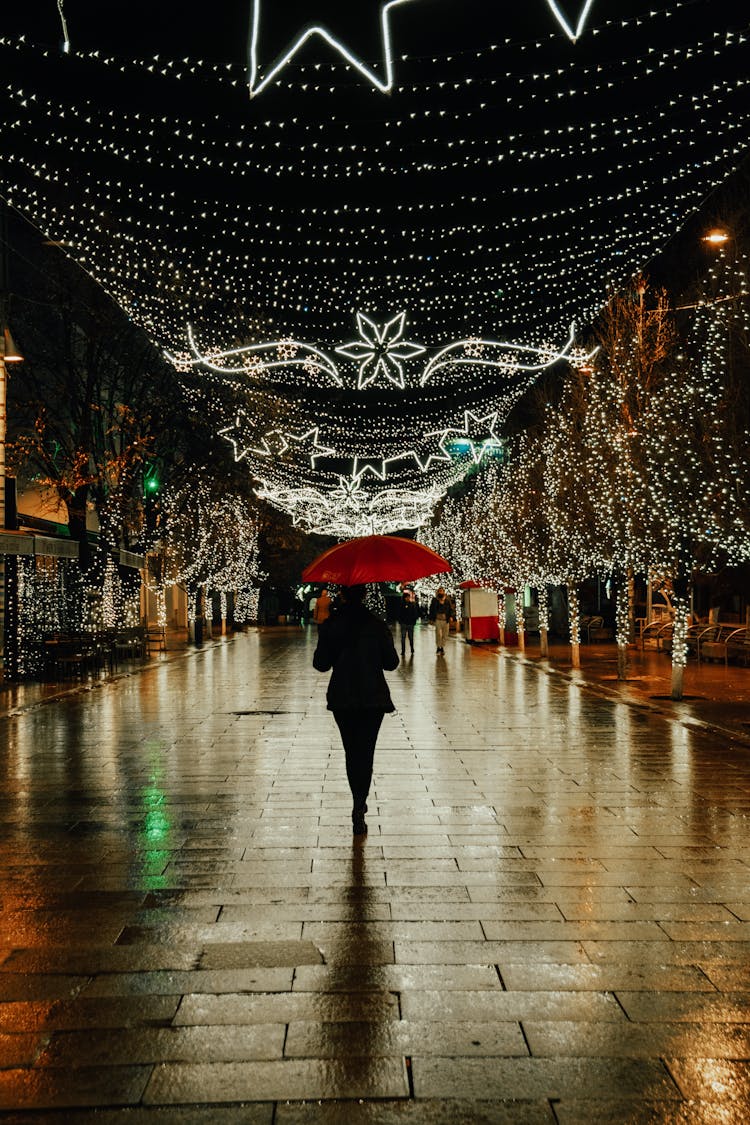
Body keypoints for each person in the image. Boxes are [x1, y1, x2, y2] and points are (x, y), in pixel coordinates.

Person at [313, 585, 399, 836]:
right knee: (366, 751)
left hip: (343, 697)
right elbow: (391, 663)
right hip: (373, 697)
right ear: (364, 595)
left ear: (341, 594)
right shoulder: (376, 623)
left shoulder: (333, 624)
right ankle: (359, 804)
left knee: (352, 751)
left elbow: (320, 664)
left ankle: (357, 802)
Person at [429, 586, 453, 654]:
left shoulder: (447, 600)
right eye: (439, 591)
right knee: (438, 634)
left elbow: (450, 609)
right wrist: (431, 619)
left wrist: (451, 616)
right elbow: (431, 609)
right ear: (437, 592)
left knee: (445, 634)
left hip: (446, 620)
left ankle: (442, 646)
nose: (440, 592)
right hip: (438, 619)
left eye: (442, 591)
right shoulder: (435, 600)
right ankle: (438, 647)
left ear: (444, 592)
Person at [398, 589, 419, 656]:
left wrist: (413, 621)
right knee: (403, 638)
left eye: (408, 597)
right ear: (404, 598)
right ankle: (403, 650)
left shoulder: (412, 604)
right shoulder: (401, 605)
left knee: (411, 637)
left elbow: (415, 613)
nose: (408, 598)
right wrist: (400, 621)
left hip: (410, 624)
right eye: (407, 597)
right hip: (404, 623)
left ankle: (412, 648)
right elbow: (399, 614)